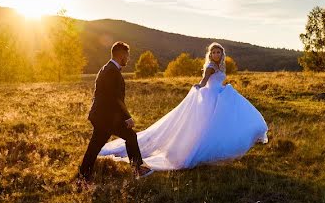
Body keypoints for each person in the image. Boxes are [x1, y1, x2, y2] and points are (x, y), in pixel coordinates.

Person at [98, 42, 268, 171]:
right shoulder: (210, 67)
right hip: (210, 98)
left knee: (221, 123)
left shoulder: (220, 66)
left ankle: (220, 147)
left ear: (222, 54)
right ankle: (197, 151)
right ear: (210, 55)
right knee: (206, 126)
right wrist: (197, 87)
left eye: (219, 52)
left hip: (219, 96)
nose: (216, 54)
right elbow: (203, 82)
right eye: (214, 52)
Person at [78, 41, 154, 181]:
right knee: (130, 136)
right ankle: (138, 169)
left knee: (95, 147)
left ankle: (82, 176)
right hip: (106, 117)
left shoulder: (106, 68)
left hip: (102, 116)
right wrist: (127, 117)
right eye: (127, 55)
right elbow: (115, 98)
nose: (128, 59)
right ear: (122, 55)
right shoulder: (112, 71)